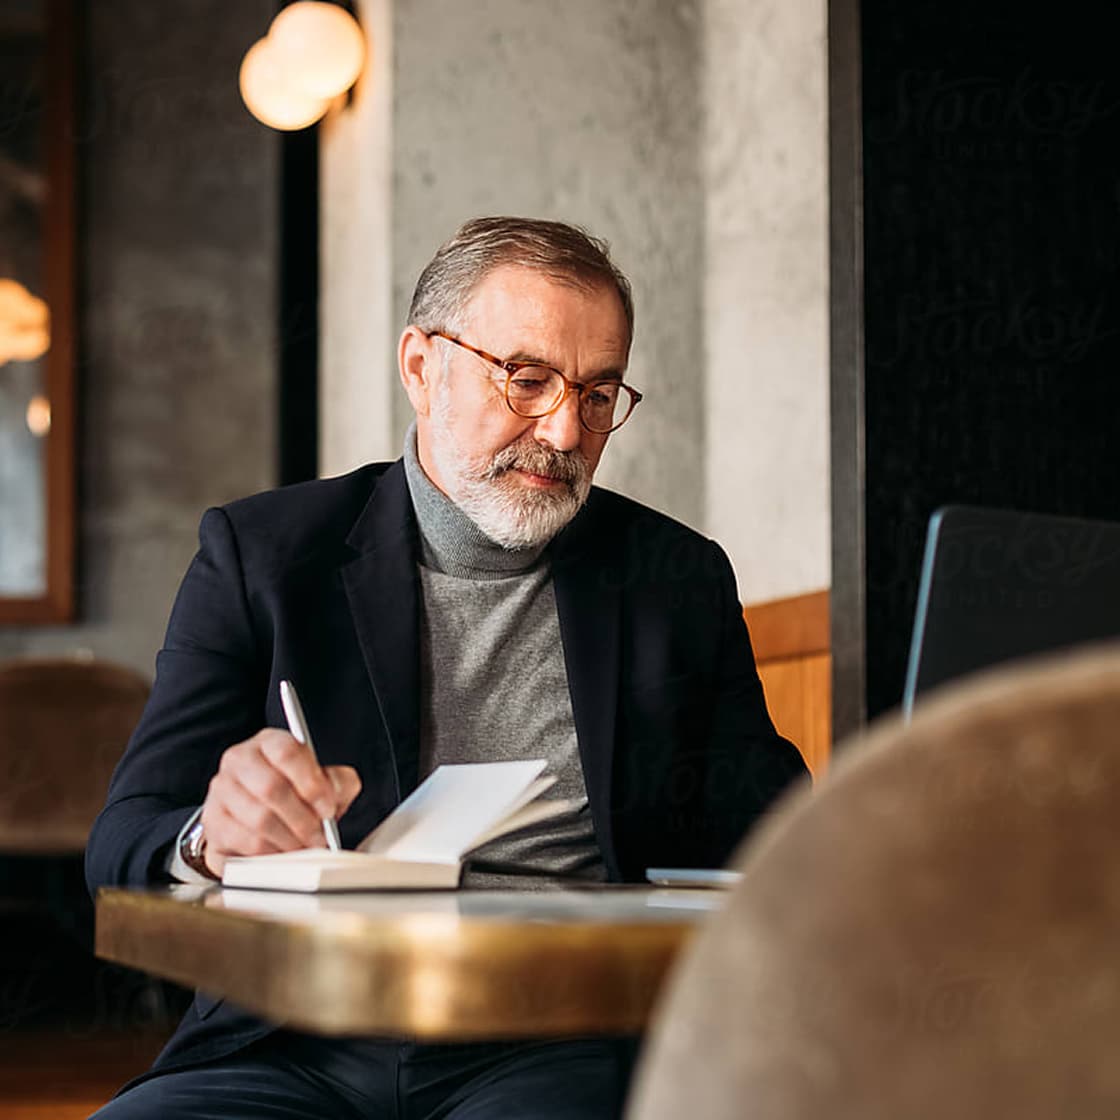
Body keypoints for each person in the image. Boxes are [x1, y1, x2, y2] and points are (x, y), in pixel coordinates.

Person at [86, 216, 807, 1118]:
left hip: (556, 1041)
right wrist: (210, 837)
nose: (564, 427)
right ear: (423, 369)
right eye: (528, 378)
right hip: (288, 1036)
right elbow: (121, 844)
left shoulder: (675, 577)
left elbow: (776, 832)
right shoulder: (262, 555)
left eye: (597, 393)